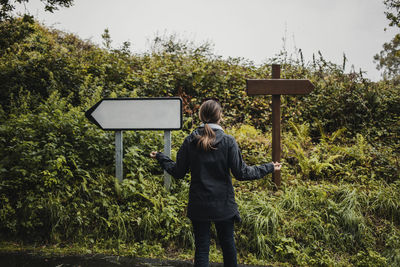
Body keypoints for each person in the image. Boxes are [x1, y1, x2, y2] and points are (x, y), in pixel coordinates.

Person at [150, 99, 281, 266]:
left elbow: (178, 172)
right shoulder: (228, 141)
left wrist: (161, 157)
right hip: (223, 204)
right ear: (220, 117)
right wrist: (269, 167)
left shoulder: (190, 141)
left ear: (201, 116)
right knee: (228, 245)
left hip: (199, 204)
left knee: (202, 249)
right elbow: (242, 173)